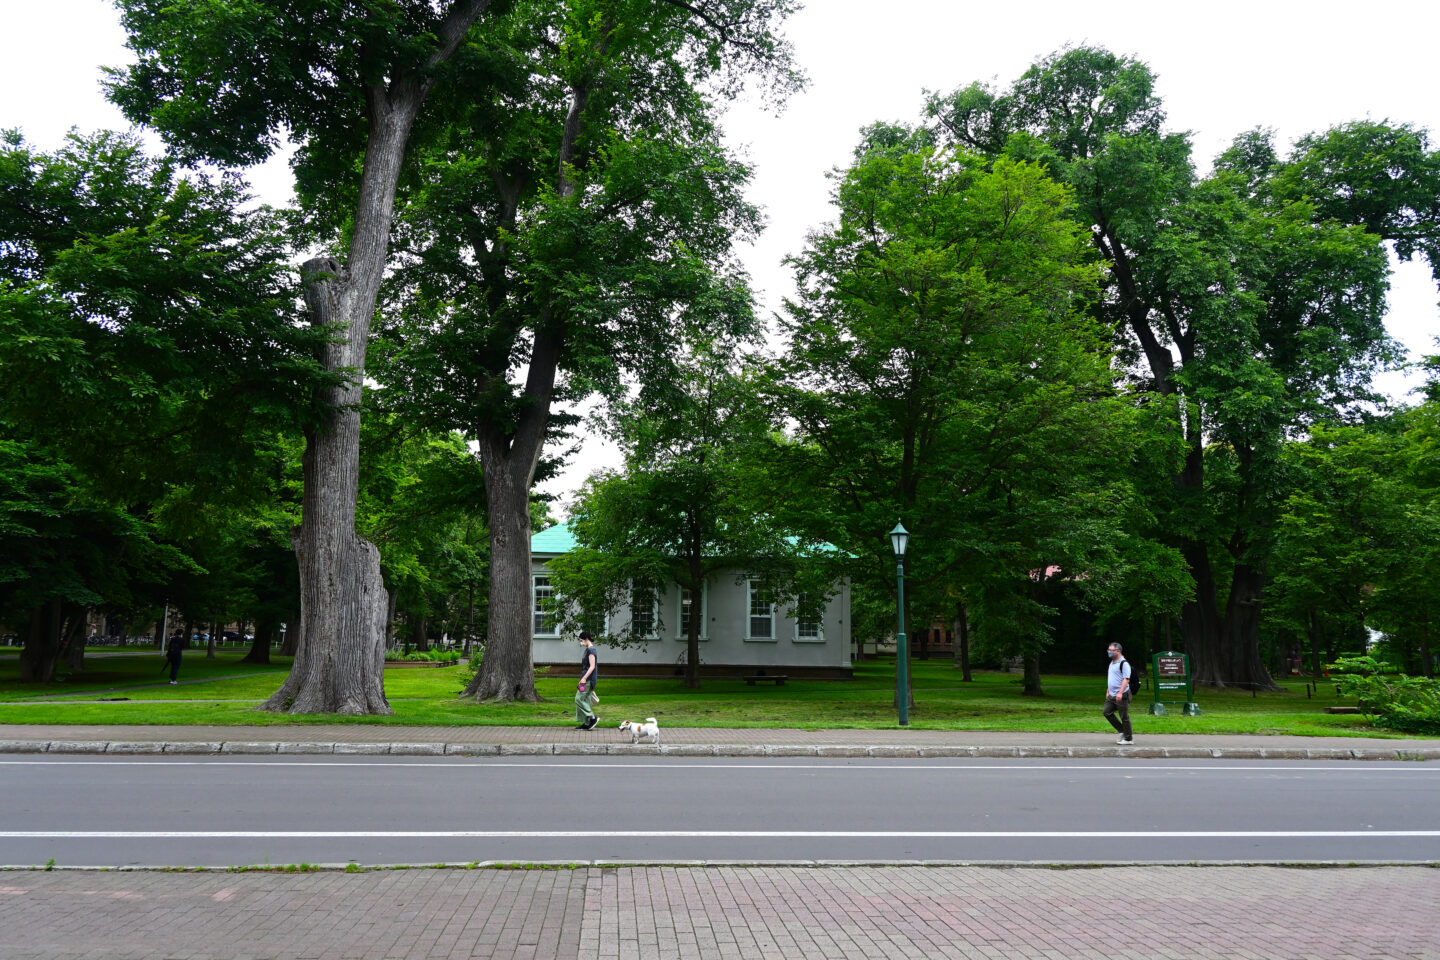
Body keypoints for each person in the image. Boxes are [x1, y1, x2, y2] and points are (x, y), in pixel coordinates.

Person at [1104, 642, 1133, 744]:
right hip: (1111, 694)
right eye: (1108, 650)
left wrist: (1120, 693)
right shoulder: (1112, 662)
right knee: (1106, 712)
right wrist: (1108, 689)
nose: (1109, 652)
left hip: (1122, 694)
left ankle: (1128, 739)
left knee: (1124, 717)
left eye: (1111, 650)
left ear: (1118, 651)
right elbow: (1112, 678)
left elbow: (1126, 679)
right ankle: (1122, 731)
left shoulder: (1124, 663)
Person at [575, 630, 599, 730]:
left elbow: (592, 666)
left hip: (588, 680)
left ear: (586, 639)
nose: (581, 643)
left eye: (581, 640)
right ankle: (586, 723)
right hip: (585, 679)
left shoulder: (591, 650)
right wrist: (582, 679)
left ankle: (592, 717)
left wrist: (584, 678)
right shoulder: (587, 649)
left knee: (579, 698)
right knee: (585, 699)